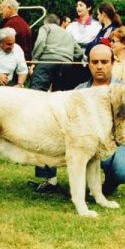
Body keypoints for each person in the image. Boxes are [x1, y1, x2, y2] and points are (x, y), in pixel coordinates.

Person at [34, 44, 125, 195]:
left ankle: (106, 188)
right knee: (47, 130)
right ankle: (50, 180)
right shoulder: (79, 91)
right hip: (81, 143)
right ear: (89, 64)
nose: (99, 66)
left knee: (123, 171)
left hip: (114, 144)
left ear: (112, 63)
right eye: (95, 62)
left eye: (104, 62)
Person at [29, 14, 83, 191]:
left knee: (35, 103)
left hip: (48, 61)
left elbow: (40, 44)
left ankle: (47, 174)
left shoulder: (46, 28)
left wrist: (34, 61)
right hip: (66, 65)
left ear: (46, 22)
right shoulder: (68, 33)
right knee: (60, 107)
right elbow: (79, 53)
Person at [66, 0, 102, 88]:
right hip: (74, 62)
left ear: (89, 8)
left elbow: (96, 42)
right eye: (77, 5)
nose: (78, 8)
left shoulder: (97, 25)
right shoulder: (71, 26)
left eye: (81, 5)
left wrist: (76, 41)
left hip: (91, 62)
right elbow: (68, 41)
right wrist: (89, 40)